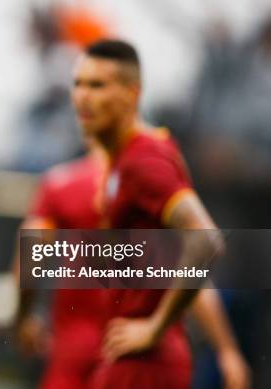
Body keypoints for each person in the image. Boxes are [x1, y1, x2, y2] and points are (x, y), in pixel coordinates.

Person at [15, 39, 248, 389]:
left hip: (131, 356)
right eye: (77, 84)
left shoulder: (138, 165)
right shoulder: (132, 164)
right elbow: (174, 260)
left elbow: (205, 241)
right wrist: (226, 348)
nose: (82, 97)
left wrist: (156, 327)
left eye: (97, 85)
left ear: (131, 93)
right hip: (125, 352)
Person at [15, 146, 250, 388]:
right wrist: (226, 348)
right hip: (131, 351)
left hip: (78, 352)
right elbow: (192, 269)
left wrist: (24, 315)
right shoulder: (152, 186)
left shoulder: (62, 183)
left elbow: (28, 256)